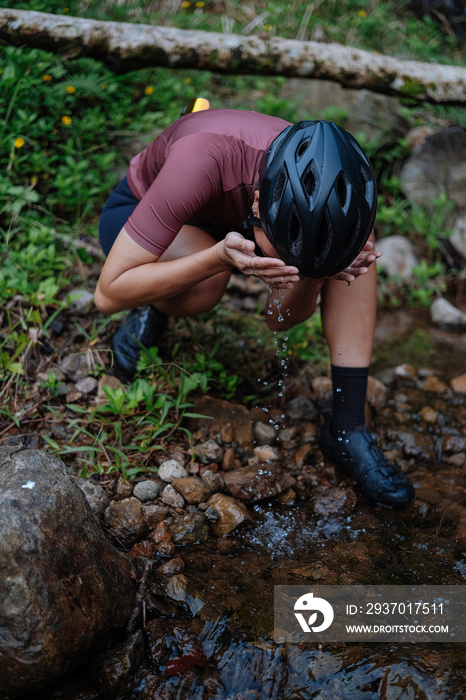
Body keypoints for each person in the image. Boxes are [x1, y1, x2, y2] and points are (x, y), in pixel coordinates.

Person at [95, 104, 415, 509]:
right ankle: (155, 305)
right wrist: (218, 258)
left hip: (240, 214)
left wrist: (322, 270)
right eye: (287, 254)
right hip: (144, 210)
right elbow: (107, 294)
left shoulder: (348, 196)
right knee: (205, 286)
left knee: (355, 254)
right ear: (259, 205)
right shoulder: (203, 157)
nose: (293, 266)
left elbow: (279, 320)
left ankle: (347, 426)